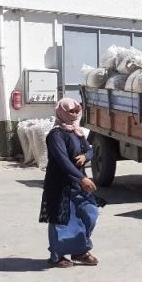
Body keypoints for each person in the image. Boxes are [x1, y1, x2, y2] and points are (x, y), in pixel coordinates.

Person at [39, 98, 100, 268]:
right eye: (70, 111)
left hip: (78, 183)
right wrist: (82, 179)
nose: (73, 114)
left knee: (90, 213)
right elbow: (62, 161)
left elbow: (90, 149)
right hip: (60, 184)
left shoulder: (76, 131)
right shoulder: (56, 135)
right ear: (61, 112)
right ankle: (57, 256)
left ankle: (79, 250)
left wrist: (85, 157)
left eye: (76, 111)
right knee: (61, 220)